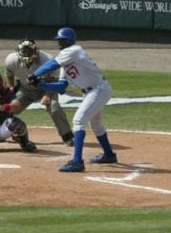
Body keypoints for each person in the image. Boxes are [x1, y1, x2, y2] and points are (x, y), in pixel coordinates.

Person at [27, 28, 116, 173]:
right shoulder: (66, 61)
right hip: (92, 91)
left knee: (79, 121)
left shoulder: (74, 50)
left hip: (98, 89)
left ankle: (77, 162)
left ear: (68, 41)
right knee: (96, 125)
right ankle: (109, 155)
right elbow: (62, 86)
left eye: (61, 40)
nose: (59, 43)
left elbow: (53, 63)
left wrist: (35, 74)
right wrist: (40, 84)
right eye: (58, 41)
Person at [4, 38, 74, 146]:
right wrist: (11, 90)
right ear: (18, 51)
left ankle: (68, 136)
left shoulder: (47, 59)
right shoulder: (11, 59)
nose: (26, 53)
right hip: (25, 90)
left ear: (35, 51)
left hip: (46, 87)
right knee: (8, 108)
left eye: (29, 51)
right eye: (24, 51)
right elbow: (9, 75)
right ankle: (2, 133)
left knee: (54, 107)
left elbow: (54, 79)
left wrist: (47, 95)